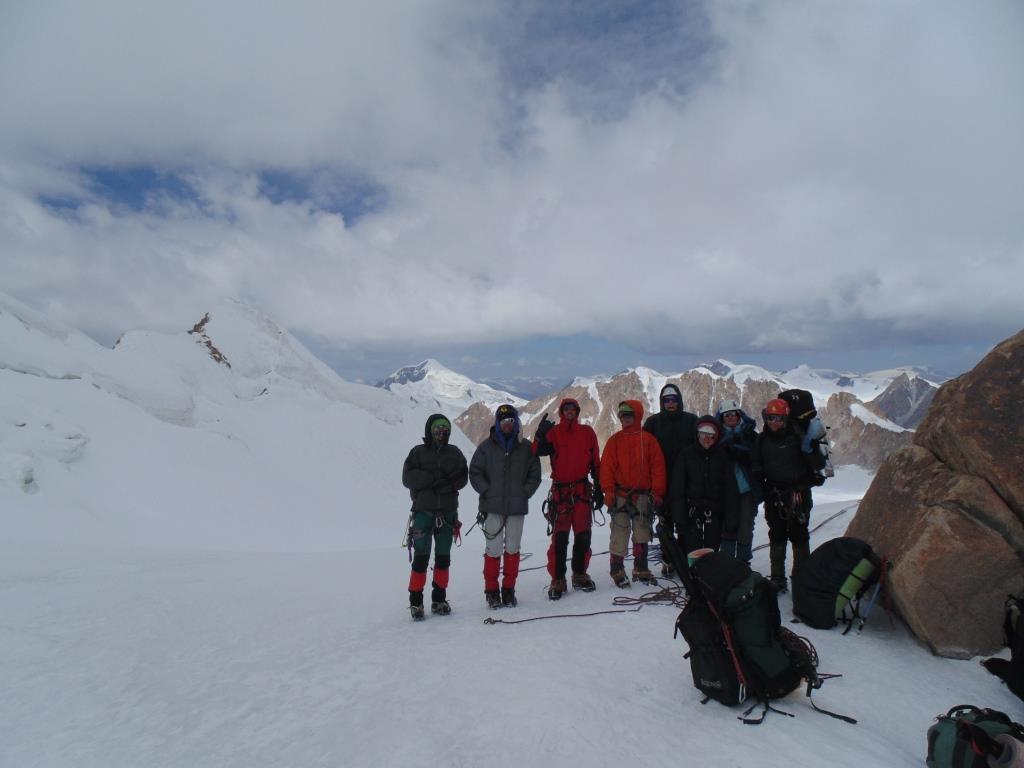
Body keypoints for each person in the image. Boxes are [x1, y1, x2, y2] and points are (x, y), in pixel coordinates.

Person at [470, 403, 542, 608]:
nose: (507, 425)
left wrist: (524, 492)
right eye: (503, 421)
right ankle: (492, 591)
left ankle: (508, 590)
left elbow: (534, 473)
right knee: (493, 550)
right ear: (497, 423)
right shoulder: (486, 447)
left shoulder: (525, 448)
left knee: (512, 549)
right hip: (492, 507)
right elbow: (475, 471)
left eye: (510, 421)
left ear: (516, 423)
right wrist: (486, 490)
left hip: (516, 508)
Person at [751, 398, 827, 593]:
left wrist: (810, 450)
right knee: (776, 534)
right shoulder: (762, 440)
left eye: (778, 418)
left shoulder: (799, 437)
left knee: (799, 535)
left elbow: (818, 464)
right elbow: (757, 467)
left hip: (797, 494)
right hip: (775, 495)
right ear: (765, 418)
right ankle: (778, 578)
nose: (774, 422)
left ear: (785, 418)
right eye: (771, 418)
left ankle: (800, 578)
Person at [532, 398, 602, 600]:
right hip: (561, 494)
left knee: (583, 536)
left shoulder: (587, 433)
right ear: (562, 412)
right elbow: (536, 451)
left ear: (577, 412)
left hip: (580, 492)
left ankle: (579, 573)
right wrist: (539, 434)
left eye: (573, 409)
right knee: (560, 538)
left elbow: (595, 462)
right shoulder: (554, 434)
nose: (570, 412)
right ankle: (558, 578)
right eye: (566, 409)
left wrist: (598, 488)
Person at [401, 414, 469, 620]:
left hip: (444, 512)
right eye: (438, 430)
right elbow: (407, 478)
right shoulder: (418, 452)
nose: (441, 433)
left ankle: (438, 599)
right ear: (430, 430)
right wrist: (433, 479)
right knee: (421, 558)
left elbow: (463, 477)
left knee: (443, 558)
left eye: (445, 430)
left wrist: (436, 482)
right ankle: (416, 602)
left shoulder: (454, 453)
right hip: (425, 512)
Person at [601, 400, 667, 587]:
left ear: (636, 416)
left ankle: (640, 567)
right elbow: (607, 467)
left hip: (643, 495)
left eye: (628, 415)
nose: (625, 418)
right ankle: (617, 568)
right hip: (621, 494)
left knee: (642, 531)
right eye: (622, 415)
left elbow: (658, 468)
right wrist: (608, 489)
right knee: (619, 531)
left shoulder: (648, 441)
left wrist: (657, 492)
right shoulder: (615, 441)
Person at [643, 383, 698, 577]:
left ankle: (682, 560)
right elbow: (645, 453)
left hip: (685, 484)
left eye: (674, 400)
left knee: (685, 525)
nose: (670, 403)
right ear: (662, 402)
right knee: (665, 525)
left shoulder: (691, 421)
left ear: (679, 401)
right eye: (667, 400)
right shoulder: (652, 423)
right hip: (662, 483)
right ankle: (668, 560)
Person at [669, 416, 736, 555]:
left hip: (715, 512)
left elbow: (730, 489)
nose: (707, 439)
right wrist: (679, 517)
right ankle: (695, 575)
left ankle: (709, 575)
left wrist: (730, 518)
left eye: (711, 436)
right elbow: (678, 488)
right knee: (693, 550)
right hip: (692, 512)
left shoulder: (722, 456)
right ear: (697, 434)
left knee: (712, 549)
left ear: (716, 437)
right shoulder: (686, 455)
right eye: (703, 434)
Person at [715, 399, 761, 564]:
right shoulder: (716, 438)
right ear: (722, 418)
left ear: (739, 415)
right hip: (726, 490)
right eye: (727, 415)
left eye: (733, 414)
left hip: (747, 489)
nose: (731, 417)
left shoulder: (751, 435)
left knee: (746, 526)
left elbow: (759, 460)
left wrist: (744, 456)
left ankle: (742, 563)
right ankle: (727, 564)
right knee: (728, 526)